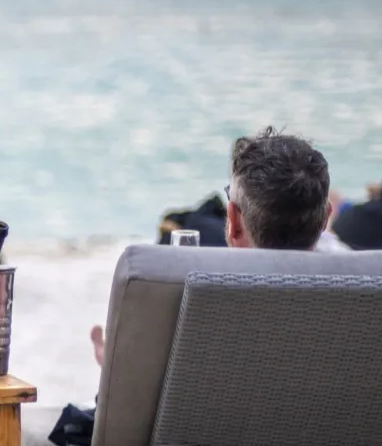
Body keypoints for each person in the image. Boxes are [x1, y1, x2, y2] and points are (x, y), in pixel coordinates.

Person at [91, 127, 333, 363]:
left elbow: (131, 398)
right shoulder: (355, 306)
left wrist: (113, 365)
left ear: (233, 222)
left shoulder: (188, 310)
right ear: (326, 219)